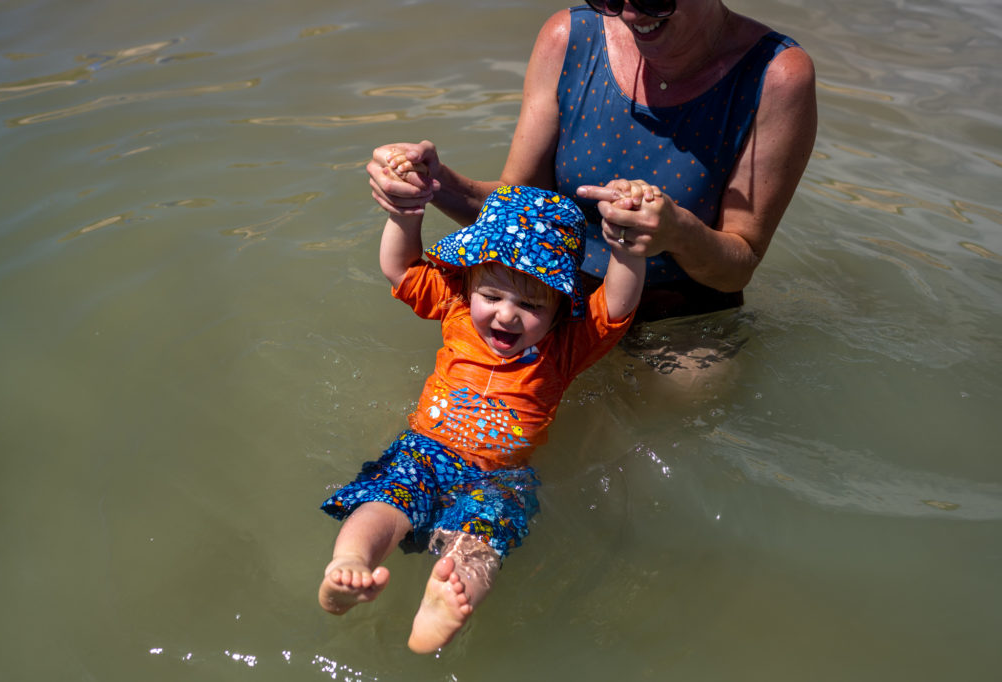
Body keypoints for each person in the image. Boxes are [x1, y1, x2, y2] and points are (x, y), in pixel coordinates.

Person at [318, 168, 646, 653]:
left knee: (481, 546)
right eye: (491, 296)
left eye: (531, 304)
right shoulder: (454, 308)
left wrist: (627, 248)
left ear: (560, 309)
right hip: (426, 451)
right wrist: (405, 217)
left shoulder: (566, 347)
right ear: (468, 284)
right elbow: (400, 268)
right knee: (383, 503)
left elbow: (616, 306)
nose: (507, 314)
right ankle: (350, 563)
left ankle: (445, 602)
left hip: (499, 476)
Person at [367, 0, 817, 327]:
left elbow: (738, 265)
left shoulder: (776, 76)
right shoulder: (569, 38)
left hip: (681, 320)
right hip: (542, 304)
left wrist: (676, 232)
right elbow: (519, 209)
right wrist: (430, 184)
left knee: (669, 425)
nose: (629, 14)